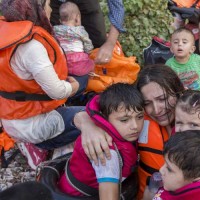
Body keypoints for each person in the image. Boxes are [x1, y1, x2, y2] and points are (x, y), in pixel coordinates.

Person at [76, 64, 200, 200]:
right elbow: (99, 108)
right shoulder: (138, 120)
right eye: (148, 103)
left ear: (179, 92)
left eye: (163, 99)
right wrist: (88, 124)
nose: (157, 109)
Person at [0, 0, 82, 170]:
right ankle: (45, 149)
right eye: (47, 4)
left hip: (11, 119)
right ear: (36, 9)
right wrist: (74, 87)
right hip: (29, 126)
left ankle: (34, 143)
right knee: (93, 116)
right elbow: (58, 92)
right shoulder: (31, 46)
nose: (51, 9)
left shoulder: (5, 35)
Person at [59, 83, 145, 199]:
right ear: (105, 117)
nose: (135, 126)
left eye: (139, 117)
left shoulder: (120, 132)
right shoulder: (106, 152)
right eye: (124, 120)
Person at [50, 0, 125, 64]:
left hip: (87, 4)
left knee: (98, 46)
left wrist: (110, 44)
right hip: (54, 4)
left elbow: (116, 6)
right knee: (52, 49)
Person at [155, 130, 200, 199]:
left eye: (169, 169)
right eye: (164, 163)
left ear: (195, 182)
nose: (161, 170)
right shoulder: (170, 186)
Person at [53, 1, 94, 96]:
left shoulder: (55, 29)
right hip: (79, 60)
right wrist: (88, 53)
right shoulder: (80, 30)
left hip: (63, 60)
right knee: (91, 64)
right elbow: (88, 45)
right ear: (77, 18)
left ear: (60, 19)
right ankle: (86, 84)